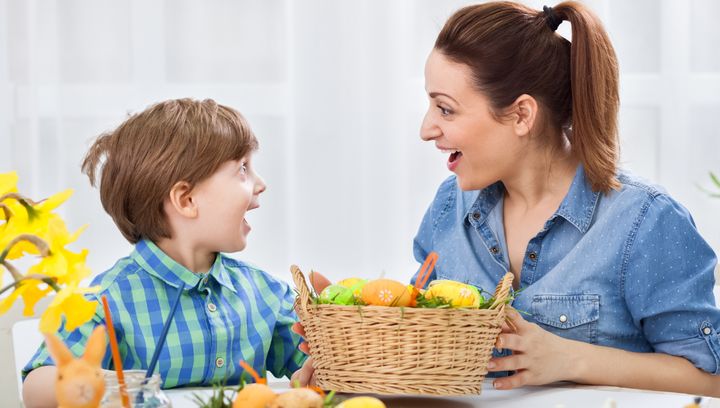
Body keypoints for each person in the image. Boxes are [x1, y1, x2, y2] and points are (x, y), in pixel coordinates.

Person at [295, 1, 720, 397]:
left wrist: (570, 359)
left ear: (521, 115)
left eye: (445, 109)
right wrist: (358, 341)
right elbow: (424, 356)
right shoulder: (450, 210)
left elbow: (710, 379)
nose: (426, 129)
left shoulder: (644, 222)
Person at [22, 98, 307, 407]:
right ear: (186, 200)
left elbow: (319, 365)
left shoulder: (268, 295)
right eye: (242, 169)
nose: (261, 183)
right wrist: (94, 386)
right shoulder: (105, 301)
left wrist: (337, 329)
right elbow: (37, 385)